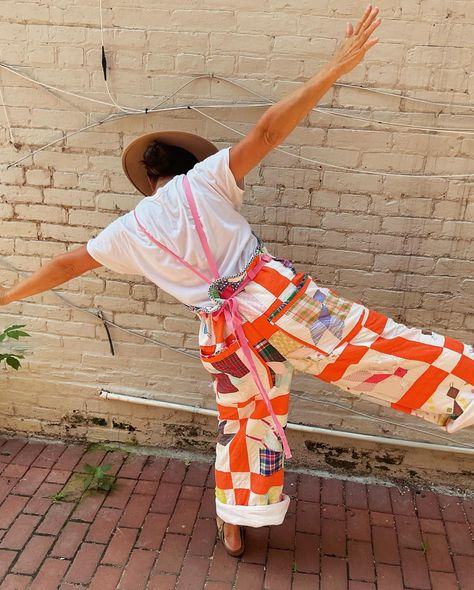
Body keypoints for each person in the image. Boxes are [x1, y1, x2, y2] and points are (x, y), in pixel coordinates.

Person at [1, 6, 473, 557]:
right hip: (276, 299)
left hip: (223, 334)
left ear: (149, 181)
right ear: (188, 165)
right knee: (368, 343)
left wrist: (5, 294)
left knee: (246, 423)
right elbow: (269, 130)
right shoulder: (206, 180)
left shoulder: (128, 230)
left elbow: (64, 266)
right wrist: (332, 69)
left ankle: (237, 521)